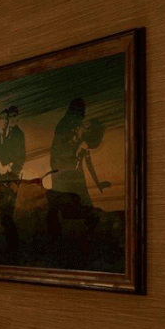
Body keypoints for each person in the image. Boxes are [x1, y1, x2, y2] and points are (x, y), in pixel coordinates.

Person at [47, 98, 111, 241]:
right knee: (70, 206)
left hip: (72, 174)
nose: (81, 117)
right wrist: (73, 163)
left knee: (80, 205)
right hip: (64, 173)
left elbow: (88, 161)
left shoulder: (78, 130)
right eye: (79, 113)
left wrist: (97, 183)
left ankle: (83, 234)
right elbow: (58, 154)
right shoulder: (66, 127)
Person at [0, 106, 26, 254]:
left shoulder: (18, 134)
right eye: (7, 118)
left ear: (17, 118)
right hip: (2, 178)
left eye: (12, 117)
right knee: (3, 213)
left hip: (12, 178)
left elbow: (21, 156)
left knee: (7, 213)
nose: (9, 120)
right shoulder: (0, 135)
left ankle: (13, 246)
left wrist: (12, 167)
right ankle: (10, 244)